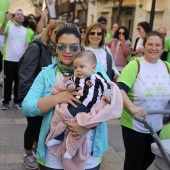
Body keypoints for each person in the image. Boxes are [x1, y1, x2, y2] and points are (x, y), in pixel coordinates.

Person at [22, 23, 123, 170]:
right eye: (62, 46)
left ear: (80, 46)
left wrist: (85, 126)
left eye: (73, 47)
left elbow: (111, 100)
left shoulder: (96, 70)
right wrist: (58, 98)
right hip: (52, 157)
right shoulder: (47, 74)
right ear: (56, 46)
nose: (67, 51)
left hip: (90, 155)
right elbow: (27, 107)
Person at [117, 31, 170, 170]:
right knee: (134, 160)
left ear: (163, 47)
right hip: (134, 123)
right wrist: (131, 107)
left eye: (158, 45)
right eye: (150, 44)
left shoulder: (167, 67)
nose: (154, 48)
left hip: (156, 124)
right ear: (144, 46)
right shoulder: (135, 65)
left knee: (150, 157)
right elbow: (120, 89)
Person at [46, 50, 113, 161]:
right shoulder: (75, 78)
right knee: (61, 116)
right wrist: (70, 85)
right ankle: (57, 137)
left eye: (82, 66)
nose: (78, 70)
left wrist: (107, 95)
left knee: (78, 129)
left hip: (88, 108)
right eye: (76, 67)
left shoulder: (98, 78)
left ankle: (71, 150)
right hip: (75, 103)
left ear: (93, 68)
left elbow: (108, 88)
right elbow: (66, 82)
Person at [19, 20, 65, 169]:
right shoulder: (37, 47)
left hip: (51, 98)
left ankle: (36, 147)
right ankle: (26, 154)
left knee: (42, 126)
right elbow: (26, 73)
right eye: (57, 32)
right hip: (36, 95)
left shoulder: (61, 49)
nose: (60, 36)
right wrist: (28, 98)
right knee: (33, 126)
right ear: (50, 32)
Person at [0, 9, 30, 110]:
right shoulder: (8, 26)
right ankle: (6, 101)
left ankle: (17, 101)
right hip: (9, 59)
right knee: (7, 81)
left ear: (23, 18)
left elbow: (26, 46)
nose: (20, 16)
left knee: (19, 82)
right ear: (14, 17)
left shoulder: (26, 31)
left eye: (22, 14)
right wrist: (5, 21)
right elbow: (1, 32)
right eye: (18, 14)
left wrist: (25, 60)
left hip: (20, 62)